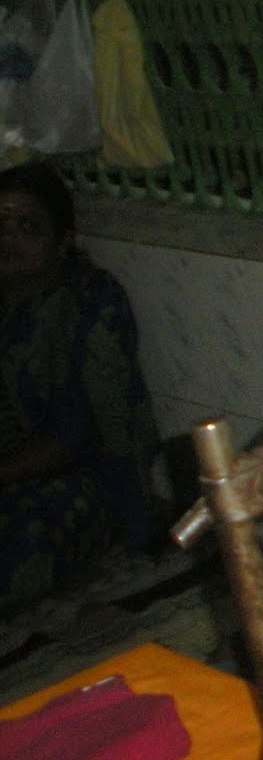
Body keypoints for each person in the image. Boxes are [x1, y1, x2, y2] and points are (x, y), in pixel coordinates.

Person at [0, 162, 159, 611]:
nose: (8, 240)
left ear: (63, 240)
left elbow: (78, 434)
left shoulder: (92, 303)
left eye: (28, 227)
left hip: (81, 479)